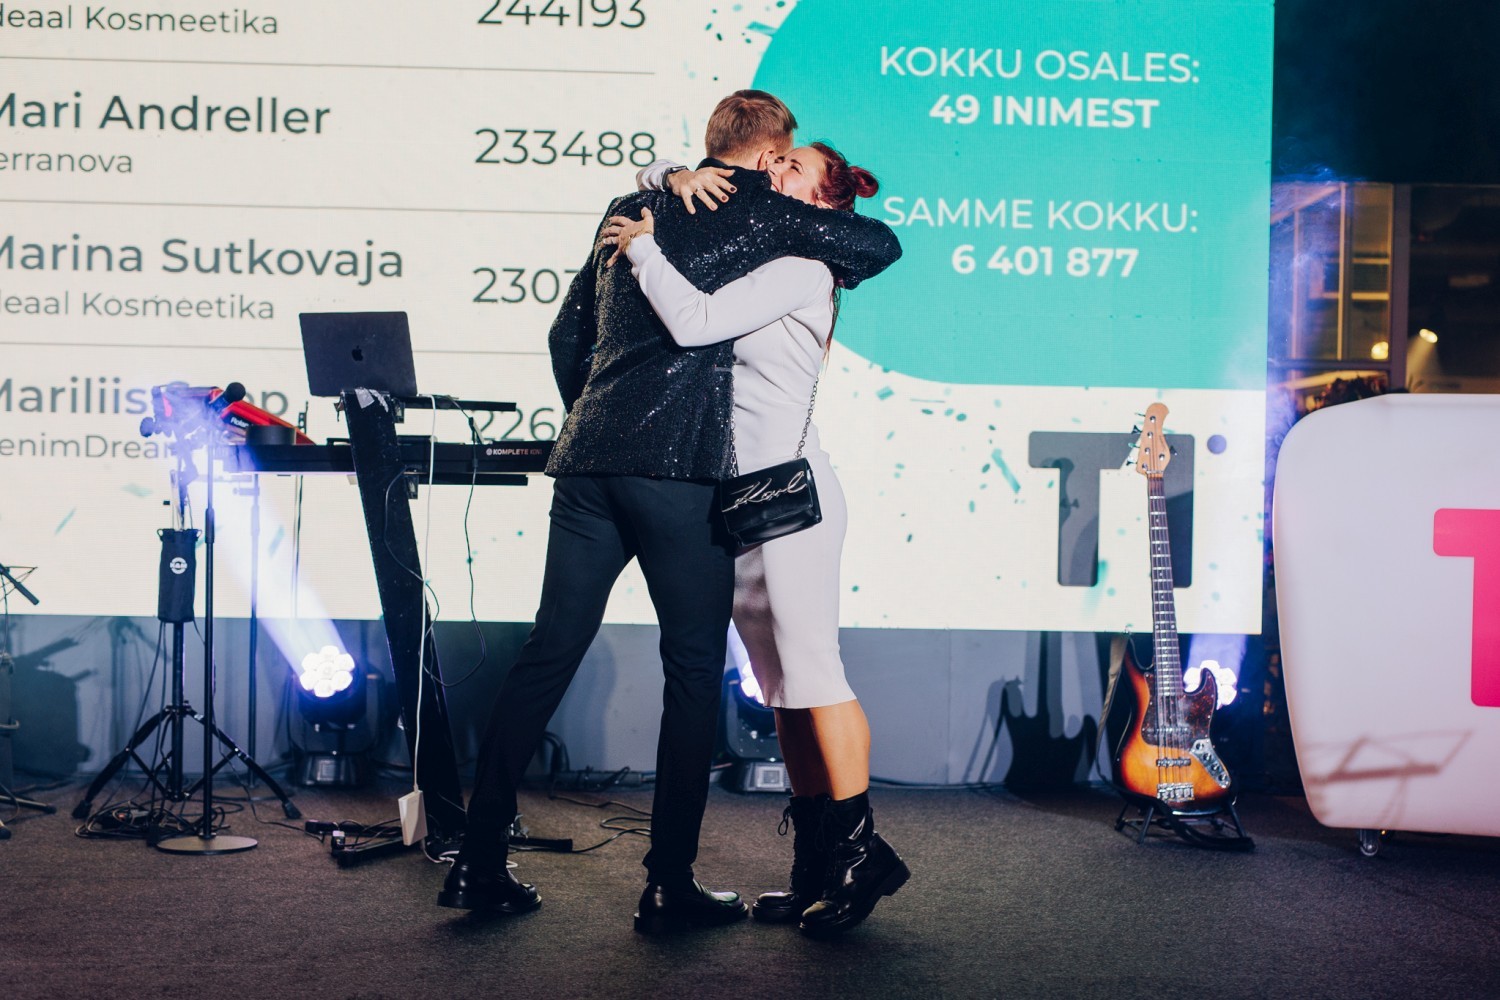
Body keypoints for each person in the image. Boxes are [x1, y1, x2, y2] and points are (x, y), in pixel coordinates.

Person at [439, 91, 902, 935]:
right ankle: (668, 886)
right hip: (683, 473)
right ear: (770, 154)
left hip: (590, 461)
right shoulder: (767, 214)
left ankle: (476, 862)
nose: (785, 169)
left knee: (547, 654)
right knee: (694, 672)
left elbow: (567, 337)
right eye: (786, 156)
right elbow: (873, 247)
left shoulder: (630, 205)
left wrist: (662, 178)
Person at [603, 142, 907, 938]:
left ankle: (861, 857)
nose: (773, 170)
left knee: (816, 675)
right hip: (747, 500)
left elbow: (695, 323)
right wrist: (669, 177)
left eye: (793, 167)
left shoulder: (804, 265)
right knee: (781, 690)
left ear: (825, 201)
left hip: (792, 501)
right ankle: (817, 864)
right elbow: (666, 168)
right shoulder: (769, 253)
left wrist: (642, 249)